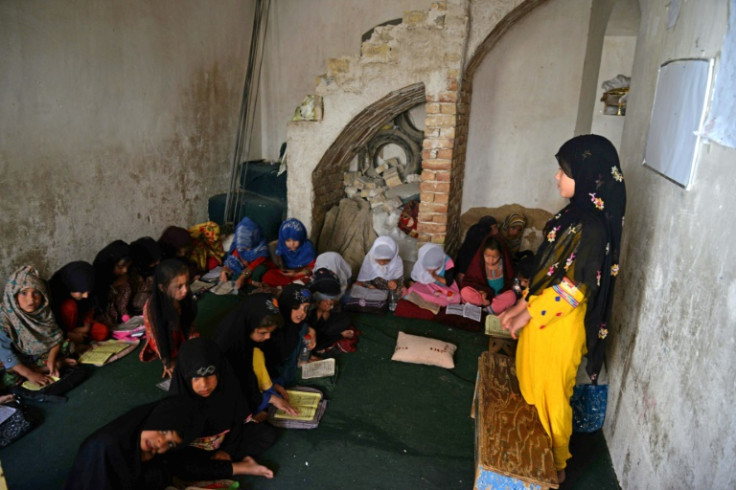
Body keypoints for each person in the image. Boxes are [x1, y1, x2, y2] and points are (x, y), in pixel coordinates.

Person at [499, 134, 626, 482]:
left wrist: (525, 312)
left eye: (563, 170)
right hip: (542, 320)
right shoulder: (572, 215)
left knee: (551, 398)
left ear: (588, 175)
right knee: (530, 385)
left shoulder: (592, 228)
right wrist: (522, 306)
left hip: (559, 328)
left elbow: (574, 288)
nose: (556, 177)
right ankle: (531, 460)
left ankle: (554, 468)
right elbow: (546, 273)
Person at [168, 338, 275, 482]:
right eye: (196, 378)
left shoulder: (227, 386)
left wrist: (227, 450)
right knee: (178, 465)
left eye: (210, 375)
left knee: (265, 434)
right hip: (197, 449)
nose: (204, 384)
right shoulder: (177, 403)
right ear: (185, 377)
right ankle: (242, 467)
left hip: (226, 440)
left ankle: (220, 467)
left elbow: (237, 420)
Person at [64, 396, 202, 490]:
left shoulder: (144, 446)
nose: (161, 443)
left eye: (171, 444)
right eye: (164, 431)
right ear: (153, 419)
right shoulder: (106, 447)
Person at [214, 294, 298, 423]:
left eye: (270, 332)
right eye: (263, 333)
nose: (268, 337)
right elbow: (234, 383)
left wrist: (271, 385)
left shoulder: (248, 335)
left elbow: (254, 370)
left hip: (250, 386)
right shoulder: (227, 344)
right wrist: (268, 398)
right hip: (230, 392)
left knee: (278, 385)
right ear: (249, 324)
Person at [0, 265, 67, 390]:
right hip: (12, 360)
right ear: (13, 296)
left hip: (32, 356)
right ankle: (43, 368)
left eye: (36, 292)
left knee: (68, 345)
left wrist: (51, 361)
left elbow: (55, 338)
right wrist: (30, 375)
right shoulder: (4, 319)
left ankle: (47, 366)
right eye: (23, 293)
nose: (31, 299)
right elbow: (4, 353)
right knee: (7, 375)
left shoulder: (43, 313)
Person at [139, 259, 197, 379]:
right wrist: (167, 362)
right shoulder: (154, 308)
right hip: (162, 335)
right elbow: (159, 335)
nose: (185, 290)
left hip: (178, 329)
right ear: (162, 288)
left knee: (196, 346)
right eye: (179, 287)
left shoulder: (183, 296)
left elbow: (188, 321)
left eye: (187, 284)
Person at [262, 284, 316, 386]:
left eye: (305, 308)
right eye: (296, 306)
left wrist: (311, 330)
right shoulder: (270, 329)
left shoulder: (295, 325)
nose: (302, 313)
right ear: (286, 304)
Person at [49, 261, 109, 347]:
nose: (86, 296)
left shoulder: (88, 290)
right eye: (81, 292)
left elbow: (90, 309)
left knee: (103, 331)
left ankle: (80, 338)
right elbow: (52, 326)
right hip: (62, 331)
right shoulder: (55, 292)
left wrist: (86, 327)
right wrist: (70, 334)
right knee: (69, 306)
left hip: (79, 327)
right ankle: (74, 340)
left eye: (88, 291)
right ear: (70, 286)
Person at [308, 268, 360, 354]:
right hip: (316, 329)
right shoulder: (309, 310)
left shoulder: (334, 283)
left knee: (345, 319)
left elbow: (335, 303)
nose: (328, 302)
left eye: (330, 301)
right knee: (318, 344)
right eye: (325, 300)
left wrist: (327, 309)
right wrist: (340, 335)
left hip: (324, 325)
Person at [459, 235, 515, 313]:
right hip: (481, 298)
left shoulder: (505, 265)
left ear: (501, 254)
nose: (491, 260)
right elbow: (470, 281)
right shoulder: (478, 263)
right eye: (487, 256)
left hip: (498, 298)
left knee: (511, 296)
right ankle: (484, 307)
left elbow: (509, 284)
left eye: (495, 256)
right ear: (482, 253)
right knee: (465, 291)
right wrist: (481, 293)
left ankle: (485, 311)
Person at [219, 217, 272, 290]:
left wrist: (241, 278)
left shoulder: (261, 250)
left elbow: (251, 268)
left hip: (254, 270)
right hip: (243, 270)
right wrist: (224, 272)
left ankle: (250, 283)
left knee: (260, 271)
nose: (245, 250)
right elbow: (231, 261)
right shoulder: (240, 244)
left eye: (248, 246)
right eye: (242, 247)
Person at [261, 218, 316, 287]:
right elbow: (275, 265)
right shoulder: (280, 247)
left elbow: (312, 268)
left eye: (295, 240)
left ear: (301, 238)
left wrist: (297, 274)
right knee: (268, 276)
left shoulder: (307, 248)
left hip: (300, 274)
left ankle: (288, 287)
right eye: (288, 240)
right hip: (286, 274)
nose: (292, 244)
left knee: (309, 278)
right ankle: (290, 286)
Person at [405, 243, 461, 307]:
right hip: (427, 285)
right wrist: (411, 283)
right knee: (411, 290)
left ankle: (431, 301)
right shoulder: (422, 261)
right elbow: (413, 278)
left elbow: (448, 282)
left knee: (453, 298)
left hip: (443, 287)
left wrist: (434, 275)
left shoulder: (448, 262)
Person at [92, 240, 133, 327]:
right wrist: (112, 287)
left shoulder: (123, 276)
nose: (125, 270)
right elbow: (99, 302)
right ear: (111, 263)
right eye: (121, 267)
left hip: (118, 312)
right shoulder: (98, 274)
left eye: (127, 267)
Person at [454, 216, 498, 285]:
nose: (496, 231)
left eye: (496, 227)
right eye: (493, 228)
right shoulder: (468, 254)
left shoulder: (492, 244)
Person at [128, 237, 162, 316]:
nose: (158, 263)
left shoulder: (155, 267)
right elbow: (138, 304)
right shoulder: (134, 274)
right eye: (154, 262)